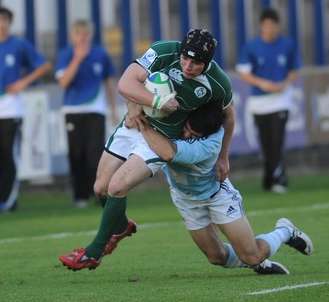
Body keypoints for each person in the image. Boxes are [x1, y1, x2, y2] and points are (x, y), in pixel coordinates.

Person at [59, 29, 235, 270]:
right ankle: (121, 227)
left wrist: (223, 156)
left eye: (196, 63)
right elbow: (126, 82)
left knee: (117, 187)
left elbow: (228, 116)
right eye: (185, 58)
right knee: (100, 188)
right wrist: (154, 102)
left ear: (208, 62)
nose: (188, 65)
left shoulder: (219, 83)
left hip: (159, 139)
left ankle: (94, 251)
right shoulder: (163, 50)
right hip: (134, 124)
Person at [136, 103, 313, 274]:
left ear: (205, 135)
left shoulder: (209, 146)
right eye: (186, 128)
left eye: (193, 134)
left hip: (216, 195)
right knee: (216, 257)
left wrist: (142, 125)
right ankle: (254, 262)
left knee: (253, 255)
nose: (186, 135)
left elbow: (168, 153)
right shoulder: (177, 124)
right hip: (186, 198)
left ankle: (284, 232)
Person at [0, 7, 51, 213]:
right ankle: (6, 193)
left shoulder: (18, 45)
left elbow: (44, 65)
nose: (1, 24)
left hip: (11, 108)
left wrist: (23, 82)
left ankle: (6, 201)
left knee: (7, 154)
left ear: (9, 23)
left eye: (5, 20)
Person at [236, 8, 301, 193]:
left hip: (281, 101)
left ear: (278, 26)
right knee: (265, 143)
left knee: (277, 140)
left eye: (273, 26)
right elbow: (244, 72)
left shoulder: (287, 45)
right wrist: (262, 83)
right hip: (259, 102)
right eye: (267, 26)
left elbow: (294, 69)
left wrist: (284, 84)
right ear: (261, 26)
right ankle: (268, 180)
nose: (270, 30)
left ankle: (280, 179)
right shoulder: (252, 46)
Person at [55, 20, 119, 209]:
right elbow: (64, 82)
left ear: (90, 35)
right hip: (73, 110)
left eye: (85, 34)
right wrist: (77, 59)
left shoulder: (100, 54)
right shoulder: (66, 54)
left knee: (95, 155)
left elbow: (109, 81)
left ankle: (97, 192)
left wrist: (113, 108)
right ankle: (79, 196)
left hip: (96, 110)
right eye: (78, 34)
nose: (81, 38)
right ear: (73, 36)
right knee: (76, 154)